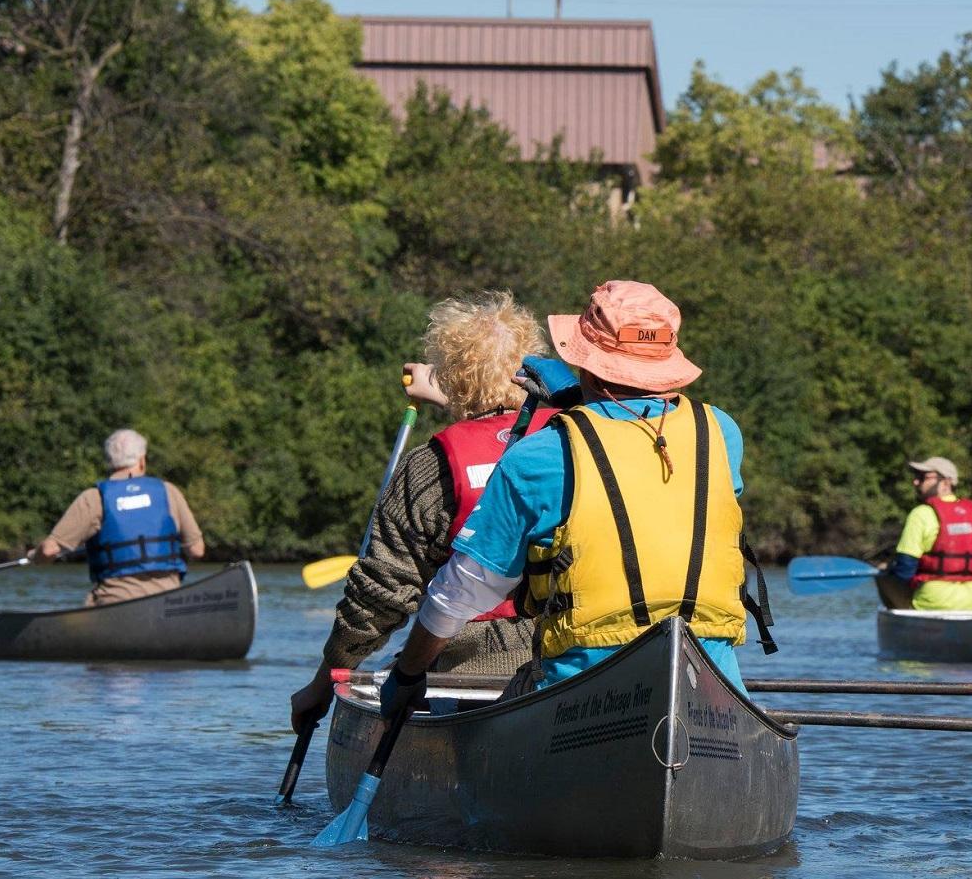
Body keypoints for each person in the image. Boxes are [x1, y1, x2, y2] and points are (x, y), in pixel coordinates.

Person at [374, 280, 775, 717]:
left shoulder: (540, 455)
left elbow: (463, 592)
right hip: (711, 692)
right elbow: (641, 477)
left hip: (583, 700)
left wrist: (408, 674)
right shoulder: (722, 433)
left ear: (583, 362)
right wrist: (578, 401)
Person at [290, 291, 554, 735]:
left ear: (452, 377)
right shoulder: (579, 442)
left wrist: (323, 683)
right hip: (566, 663)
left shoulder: (429, 468)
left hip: (462, 669)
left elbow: (377, 600)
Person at [28, 429, 204, 606]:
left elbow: (50, 550)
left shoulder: (94, 498)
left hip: (114, 603)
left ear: (108, 462)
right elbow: (197, 550)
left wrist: (36, 556)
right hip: (168, 600)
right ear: (142, 460)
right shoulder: (168, 492)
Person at [878, 457, 972, 612]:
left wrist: (889, 569)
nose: (916, 482)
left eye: (922, 477)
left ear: (946, 482)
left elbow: (905, 570)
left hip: (934, 603)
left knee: (882, 576)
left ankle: (904, 623)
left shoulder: (921, 514)